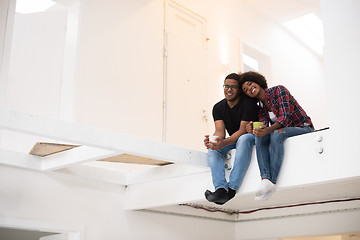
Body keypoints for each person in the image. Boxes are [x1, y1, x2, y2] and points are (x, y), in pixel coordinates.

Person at [239, 71, 314, 201]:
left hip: (303, 127)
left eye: (250, 84)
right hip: (285, 130)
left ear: (257, 81)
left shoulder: (279, 90)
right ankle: (265, 178)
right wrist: (252, 129)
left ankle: (272, 182)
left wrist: (267, 130)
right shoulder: (261, 107)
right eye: (246, 90)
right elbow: (263, 127)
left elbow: (285, 118)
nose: (249, 88)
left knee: (276, 133)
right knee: (259, 137)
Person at [204, 73, 258, 205]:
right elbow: (220, 131)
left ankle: (232, 188)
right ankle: (221, 189)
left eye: (233, 87)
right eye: (226, 86)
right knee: (212, 150)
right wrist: (214, 142)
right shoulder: (218, 107)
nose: (229, 89)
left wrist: (223, 143)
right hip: (234, 140)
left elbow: (242, 130)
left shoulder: (249, 104)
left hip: (252, 137)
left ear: (239, 89)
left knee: (243, 139)